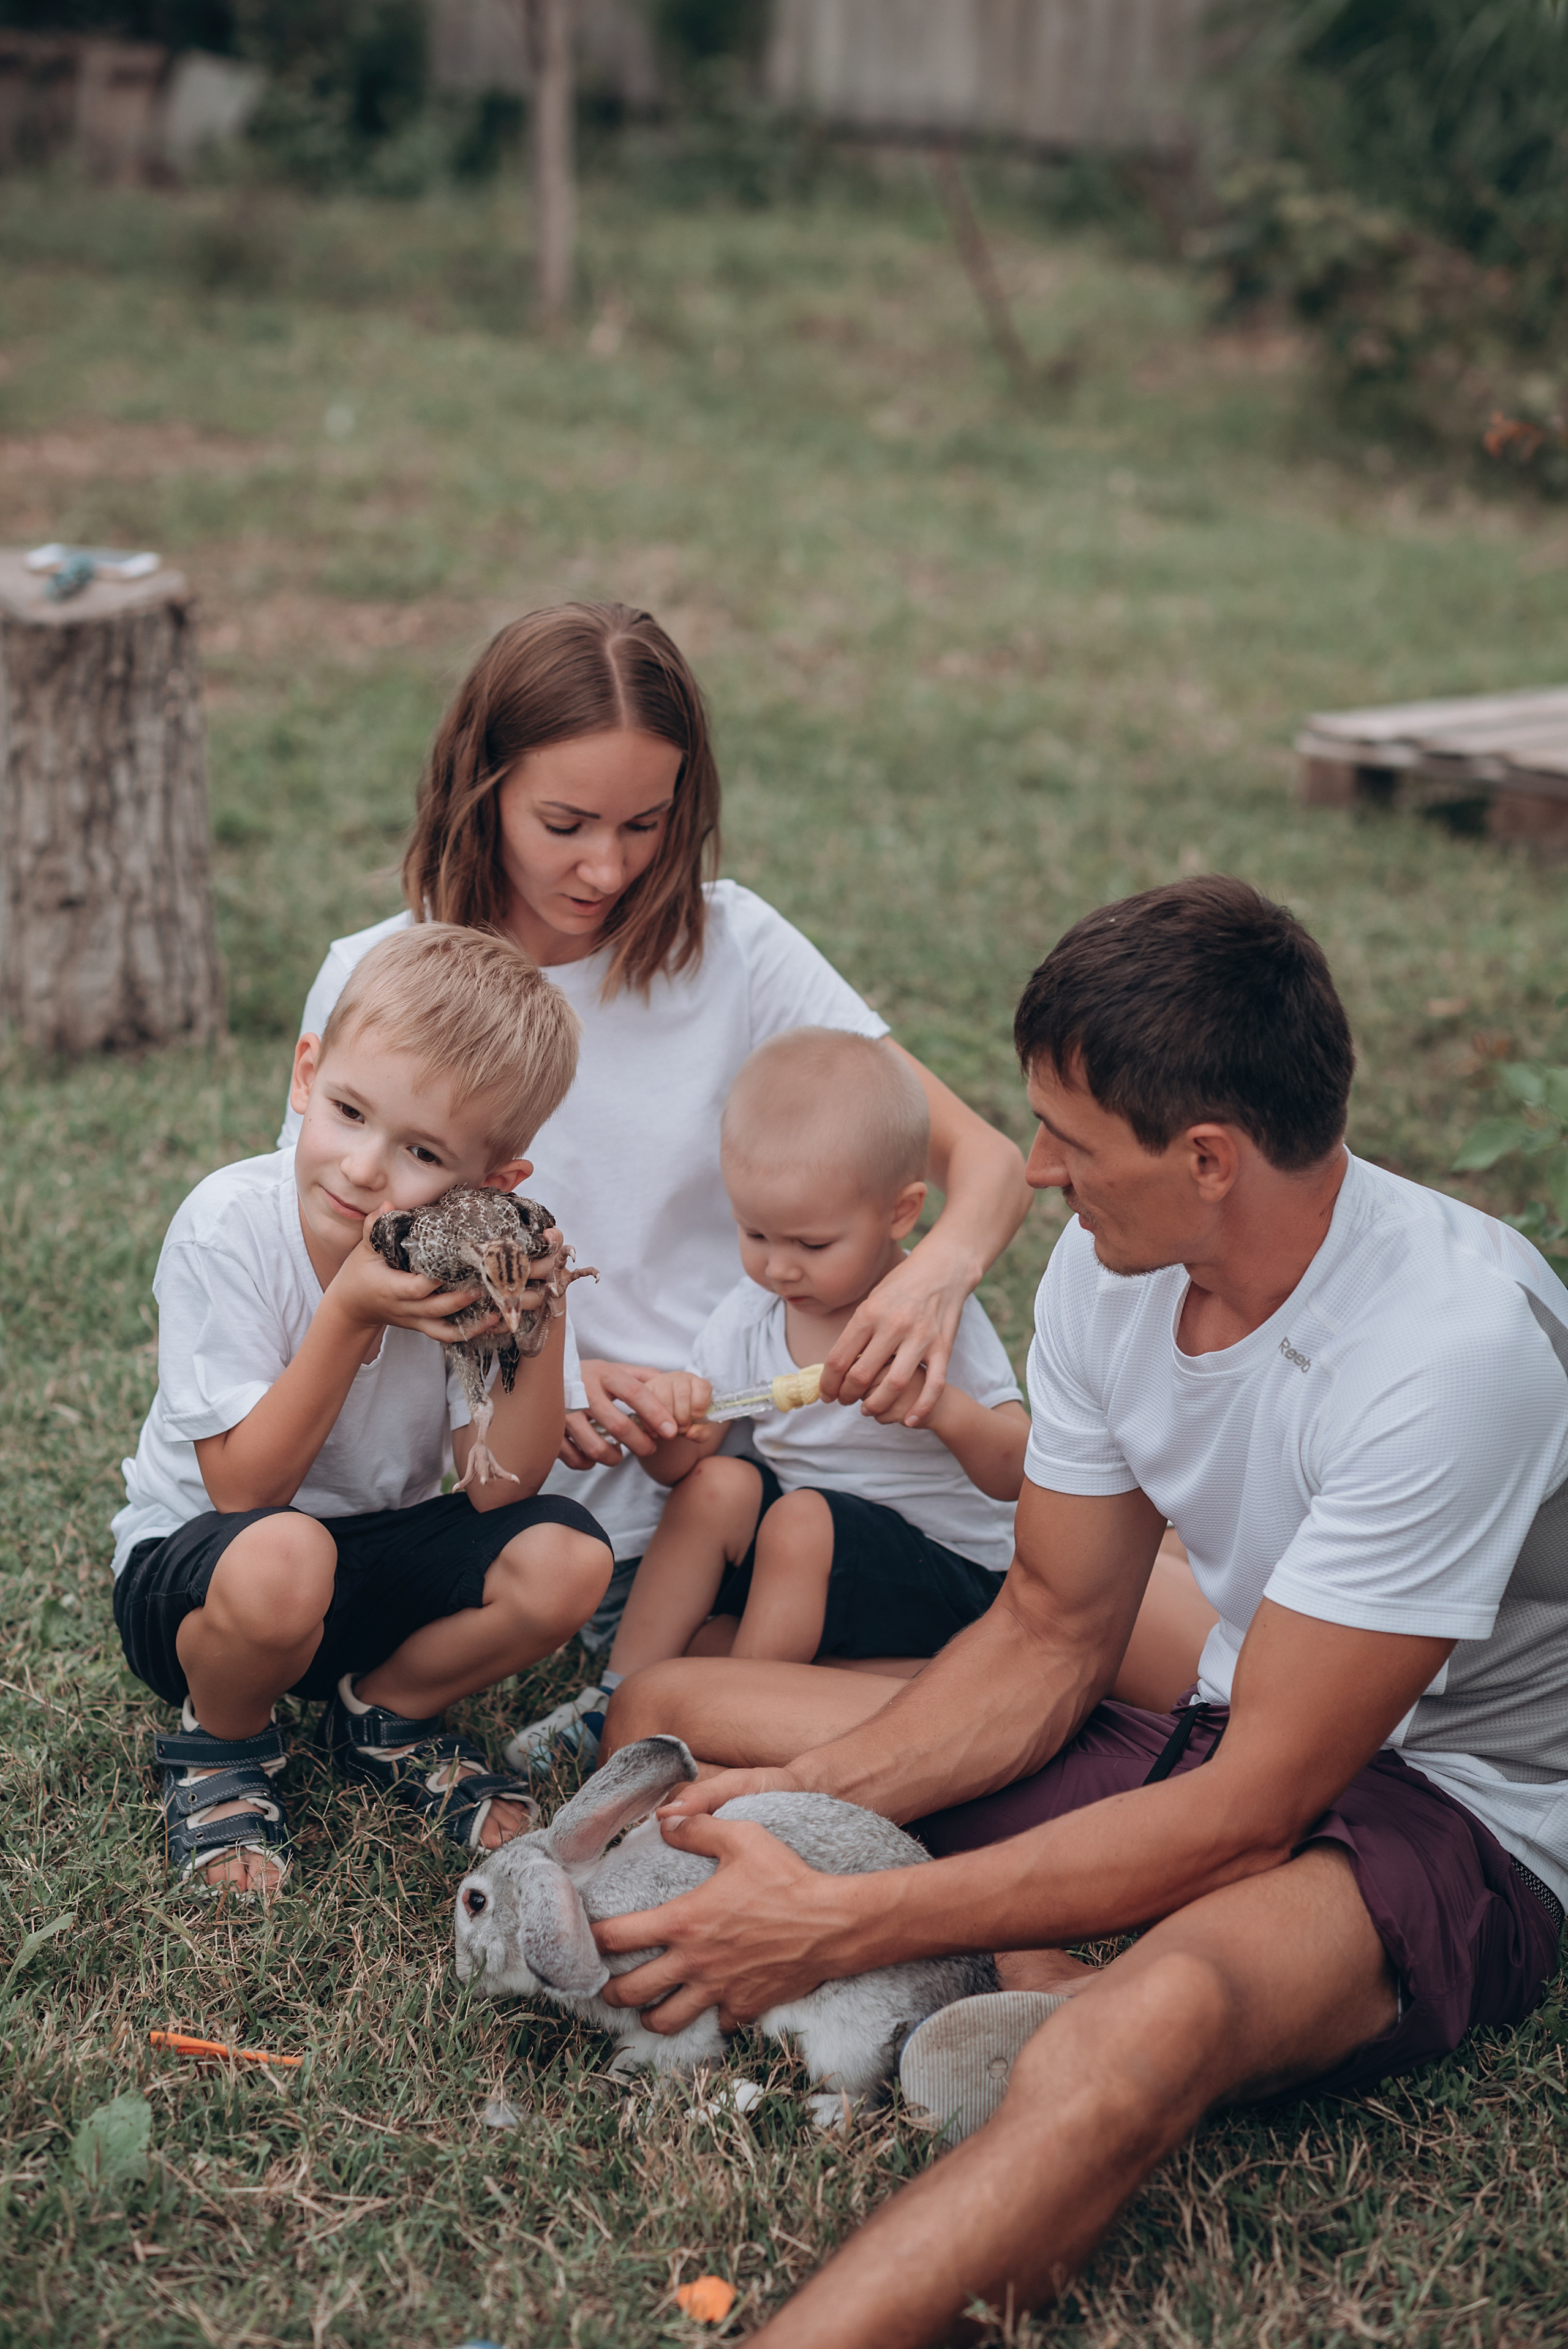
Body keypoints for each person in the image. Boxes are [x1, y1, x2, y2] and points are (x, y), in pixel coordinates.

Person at [590, 878, 1568, 2349]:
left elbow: (1252, 1807)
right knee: (698, 1720)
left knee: (1151, 2026)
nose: (1031, 1171)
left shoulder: (1449, 1344)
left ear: (1207, 1157)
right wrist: (795, 1800)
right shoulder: (1117, 1281)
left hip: (1457, 1805)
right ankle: (1017, 1958)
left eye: (1067, 1137)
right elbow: (1046, 1633)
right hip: (1227, 1711)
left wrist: (838, 1913)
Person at [276, 600, 1036, 1764]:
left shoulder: (732, 949)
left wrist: (934, 1275)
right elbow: (343, 1262)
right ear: (481, 785)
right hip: (530, 1506)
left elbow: (983, 1160)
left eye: (646, 821)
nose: (608, 866)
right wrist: (551, 1371)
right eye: (566, 821)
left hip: (765, 1475)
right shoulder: (383, 977)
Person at [111, 926, 614, 1896]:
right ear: (307, 1074)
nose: (364, 1167)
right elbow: (246, 1488)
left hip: (366, 1566)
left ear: (496, 1181)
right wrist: (347, 1312)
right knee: (285, 1550)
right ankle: (224, 1743)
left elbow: (496, 1485)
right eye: (349, 1112)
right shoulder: (229, 1223)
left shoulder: (479, 1254)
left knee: (567, 1558)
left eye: (422, 1149)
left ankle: (383, 1711)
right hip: (204, 1579)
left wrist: (533, 1323)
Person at [507, 1029, 1029, 1769]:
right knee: (721, 1483)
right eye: (753, 1233)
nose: (778, 1267)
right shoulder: (752, 1313)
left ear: (900, 1213)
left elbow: (1016, 1471)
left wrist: (939, 1406)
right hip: (814, 1569)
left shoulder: (919, 1316)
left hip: (946, 1575)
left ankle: (730, 1731)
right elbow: (682, 1470)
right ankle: (618, 1697)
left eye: (812, 1244)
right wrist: (676, 1418)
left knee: (800, 1521)